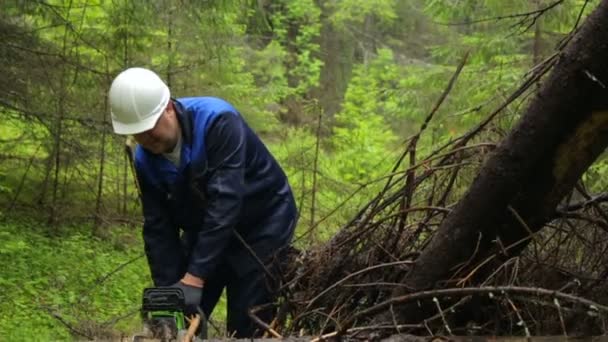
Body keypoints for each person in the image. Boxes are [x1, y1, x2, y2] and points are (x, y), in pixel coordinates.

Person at [108, 67, 297, 337]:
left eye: (149, 130)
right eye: (137, 134)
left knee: (247, 316)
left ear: (169, 108)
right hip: (206, 225)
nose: (146, 141)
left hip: (263, 220)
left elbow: (225, 203)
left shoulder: (218, 121)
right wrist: (170, 291)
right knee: (182, 313)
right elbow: (158, 229)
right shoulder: (145, 162)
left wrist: (195, 277)